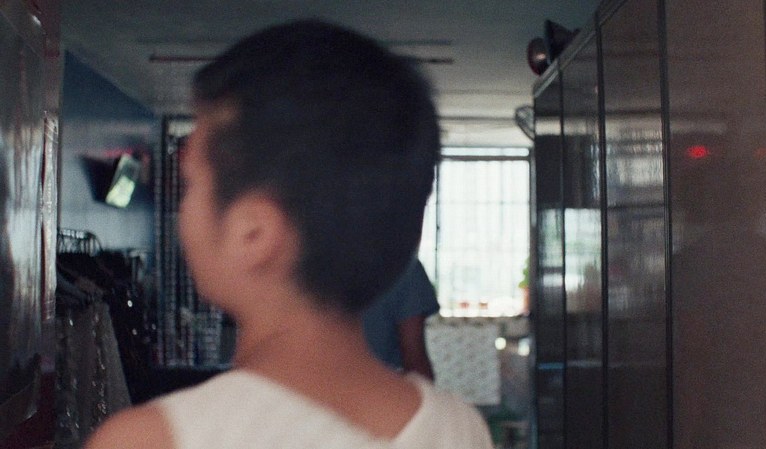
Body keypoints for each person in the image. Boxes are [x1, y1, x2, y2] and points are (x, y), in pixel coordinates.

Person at [84, 19, 493, 449]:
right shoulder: (459, 428)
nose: (183, 209)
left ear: (254, 233)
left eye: (191, 184)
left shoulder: (150, 438)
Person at [362, 259, 439, 380]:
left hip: (379, 384)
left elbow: (416, 363)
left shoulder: (406, 269)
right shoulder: (405, 267)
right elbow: (416, 364)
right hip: (382, 385)